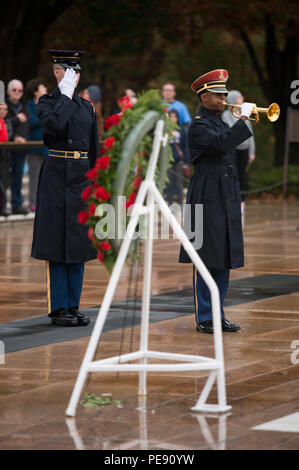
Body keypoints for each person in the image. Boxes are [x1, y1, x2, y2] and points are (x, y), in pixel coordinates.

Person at [179, 69, 255, 334]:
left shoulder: (220, 122)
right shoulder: (198, 125)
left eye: (224, 94)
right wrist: (243, 119)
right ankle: (205, 315)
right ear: (204, 96)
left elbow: (230, 144)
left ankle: (218, 312)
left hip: (225, 191)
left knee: (223, 255)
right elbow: (223, 144)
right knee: (206, 255)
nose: (223, 98)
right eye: (218, 94)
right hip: (206, 193)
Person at [31, 49, 100, 327]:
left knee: (78, 243)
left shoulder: (87, 108)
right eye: (68, 71)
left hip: (81, 178)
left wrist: (97, 183)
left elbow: (93, 148)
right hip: (57, 176)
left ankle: (73, 304)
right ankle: (59, 307)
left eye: (77, 72)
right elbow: (55, 125)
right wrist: (65, 95)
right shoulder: (47, 103)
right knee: (56, 242)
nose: (74, 76)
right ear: (57, 72)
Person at [222, 90, 256, 216]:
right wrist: (243, 118)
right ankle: (233, 200)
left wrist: (252, 152)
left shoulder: (246, 114)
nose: (242, 98)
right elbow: (232, 131)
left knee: (243, 177)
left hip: (245, 150)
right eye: (239, 97)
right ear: (233, 99)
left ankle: (242, 202)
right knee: (233, 175)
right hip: (233, 149)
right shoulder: (226, 114)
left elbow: (251, 135)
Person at [6, 79, 29, 214]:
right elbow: (4, 123)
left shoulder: (24, 107)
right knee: (4, 178)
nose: (17, 93)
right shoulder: (3, 106)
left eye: (20, 90)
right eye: (14, 90)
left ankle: (17, 204)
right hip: (6, 148)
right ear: (8, 91)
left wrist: (21, 137)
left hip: (20, 149)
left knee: (18, 177)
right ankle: (3, 206)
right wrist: (14, 137)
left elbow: (27, 125)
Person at [25, 79, 48, 212]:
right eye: (42, 86)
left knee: (46, 178)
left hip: (47, 148)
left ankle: (44, 202)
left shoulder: (47, 104)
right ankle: (33, 203)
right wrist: (44, 115)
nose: (45, 88)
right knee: (34, 177)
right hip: (34, 148)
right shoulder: (28, 106)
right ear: (35, 92)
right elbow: (32, 122)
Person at [166, 108, 191, 206]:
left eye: (174, 117)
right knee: (169, 185)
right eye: (171, 117)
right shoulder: (166, 130)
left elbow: (186, 146)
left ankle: (180, 206)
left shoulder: (182, 130)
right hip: (168, 161)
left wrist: (186, 162)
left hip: (179, 161)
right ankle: (169, 205)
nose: (173, 119)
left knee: (179, 184)